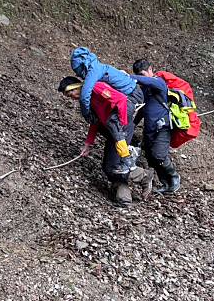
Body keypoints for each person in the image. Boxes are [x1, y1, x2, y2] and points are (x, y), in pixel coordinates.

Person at [58, 76, 153, 207]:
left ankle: (143, 177)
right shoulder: (87, 101)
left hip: (121, 129)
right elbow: (94, 122)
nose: (71, 96)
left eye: (71, 92)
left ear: (77, 86)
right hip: (113, 132)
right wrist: (88, 143)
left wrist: (121, 127)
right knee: (109, 166)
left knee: (116, 165)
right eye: (68, 95)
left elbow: (121, 100)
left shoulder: (96, 87)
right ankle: (124, 196)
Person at [132, 59, 181, 194]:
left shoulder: (158, 82)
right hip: (149, 128)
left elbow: (148, 81)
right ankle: (165, 183)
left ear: (150, 70)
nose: (141, 78)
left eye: (143, 74)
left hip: (163, 127)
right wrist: (133, 124)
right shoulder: (145, 88)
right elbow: (143, 109)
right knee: (151, 157)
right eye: (139, 75)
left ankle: (174, 176)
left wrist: (128, 77)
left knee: (159, 155)